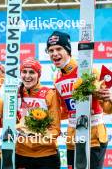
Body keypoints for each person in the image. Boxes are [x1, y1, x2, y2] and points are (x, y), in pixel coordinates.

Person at [46, 31, 112, 169]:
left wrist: (109, 98)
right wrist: (45, 117)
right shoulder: (57, 79)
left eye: (59, 49)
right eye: (51, 50)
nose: (54, 53)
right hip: (72, 139)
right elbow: (65, 111)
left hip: (94, 137)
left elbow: (107, 109)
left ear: (68, 51)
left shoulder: (89, 71)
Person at [15, 58, 61, 169]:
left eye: (32, 72)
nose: (27, 76)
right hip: (22, 154)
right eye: (24, 72)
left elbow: (55, 129)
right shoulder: (15, 94)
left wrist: (37, 137)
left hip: (46, 155)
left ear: (38, 75)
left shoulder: (49, 94)